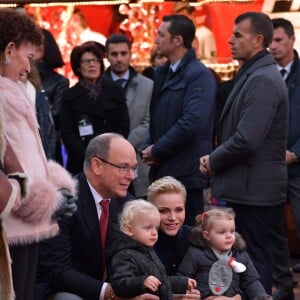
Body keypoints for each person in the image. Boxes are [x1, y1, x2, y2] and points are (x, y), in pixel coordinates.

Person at [199, 12, 289, 294]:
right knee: (245, 261)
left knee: (253, 261)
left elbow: (247, 140)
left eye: (238, 35)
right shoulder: (254, 73)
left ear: (258, 40)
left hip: (253, 190)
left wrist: (213, 159)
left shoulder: (262, 78)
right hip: (247, 186)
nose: (229, 39)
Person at [0, 9, 77, 299]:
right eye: (28, 57)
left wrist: (57, 188)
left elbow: (30, 155)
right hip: (11, 223)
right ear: (9, 49)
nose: (29, 67)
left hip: (24, 220)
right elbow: (9, 163)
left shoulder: (15, 91)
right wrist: (43, 199)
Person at [38, 133, 159, 300]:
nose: (131, 176)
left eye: (134, 168)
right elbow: (57, 272)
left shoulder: (129, 205)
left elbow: (142, 260)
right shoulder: (63, 202)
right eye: (123, 167)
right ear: (97, 165)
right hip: (64, 291)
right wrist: (110, 293)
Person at [142, 14, 216, 225]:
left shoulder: (198, 75)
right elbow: (156, 118)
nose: (156, 39)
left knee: (187, 234)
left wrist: (157, 151)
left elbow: (192, 122)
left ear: (178, 40)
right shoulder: (163, 72)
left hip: (186, 175)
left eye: (161, 34)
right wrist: (149, 147)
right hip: (164, 171)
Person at [147, 176, 240, 300]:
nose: (173, 217)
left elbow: (244, 278)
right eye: (164, 211)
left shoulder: (199, 238)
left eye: (179, 210)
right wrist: (172, 297)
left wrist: (233, 298)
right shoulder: (141, 244)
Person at [60, 41, 130, 175]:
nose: (92, 64)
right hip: (82, 163)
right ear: (78, 67)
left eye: (96, 60)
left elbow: (123, 126)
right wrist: (89, 157)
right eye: (87, 61)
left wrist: (110, 154)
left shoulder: (114, 90)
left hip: (113, 159)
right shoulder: (70, 96)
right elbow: (68, 133)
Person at [108, 199, 196, 299]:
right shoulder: (124, 255)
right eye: (148, 228)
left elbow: (160, 281)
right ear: (129, 230)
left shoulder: (148, 251)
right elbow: (119, 284)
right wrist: (141, 282)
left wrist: (181, 282)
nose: (154, 233)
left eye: (156, 228)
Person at [268, 17, 299, 300]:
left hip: (298, 166)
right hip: (269, 166)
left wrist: (296, 152)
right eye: (270, 41)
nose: (273, 46)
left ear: (291, 40)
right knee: (274, 229)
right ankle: (284, 285)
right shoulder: (263, 75)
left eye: (278, 40)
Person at [177, 208, 271, 300]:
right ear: (207, 235)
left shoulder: (240, 255)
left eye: (232, 231)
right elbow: (184, 278)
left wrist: (261, 296)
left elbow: (251, 281)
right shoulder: (196, 254)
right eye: (222, 232)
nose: (229, 236)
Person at [104, 33, 153, 198]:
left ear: (130, 54)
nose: (119, 58)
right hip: (106, 161)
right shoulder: (98, 86)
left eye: (123, 53)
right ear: (107, 56)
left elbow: (149, 121)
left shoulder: (148, 86)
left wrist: (124, 145)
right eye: (114, 54)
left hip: (138, 162)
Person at [36, 28, 70, 164]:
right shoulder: (19, 78)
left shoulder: (59, 82)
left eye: (38, 43)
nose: (34, 47)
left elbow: (56, 114)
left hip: (49, 145)